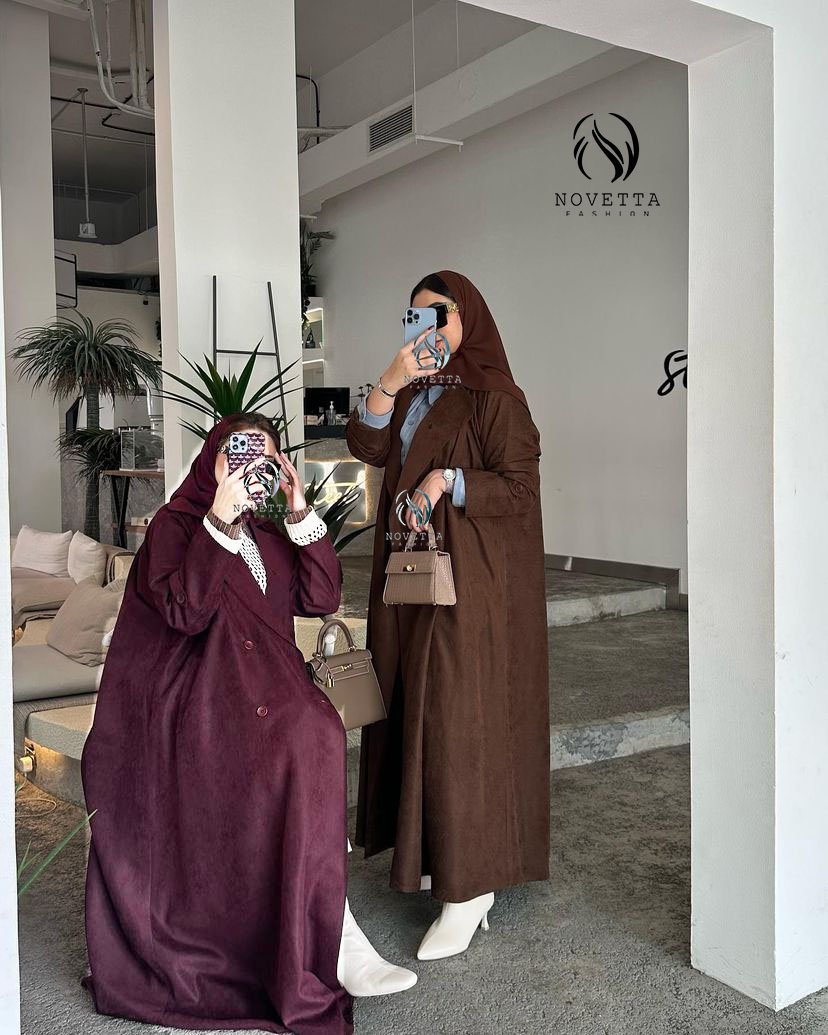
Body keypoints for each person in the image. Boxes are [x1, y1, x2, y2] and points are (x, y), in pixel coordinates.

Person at [80, 411, 415, 1035]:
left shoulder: (268, 534)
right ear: (212, 459)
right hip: (199, 700)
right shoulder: (176, 526)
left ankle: (334, 934)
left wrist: (298, 511)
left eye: (262, 456)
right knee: (299, 741)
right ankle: (336, 939)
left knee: (313, 735)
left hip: (269, 691)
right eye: (237, 453)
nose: (249, 467)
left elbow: (320, 598)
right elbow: (184, 611)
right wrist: (219, 520)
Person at [346, 270, 550, 961]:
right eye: (414, 317)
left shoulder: (496, 397)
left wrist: (445, 481)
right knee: (413, 709)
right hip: (409, 574)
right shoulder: (411, 388)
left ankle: (470, 889)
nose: (425, 327)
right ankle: (438, 858)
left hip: (468, 583)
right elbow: (367, 448)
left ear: (468, 319)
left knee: (457, 718)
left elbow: (520, 490)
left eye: (437, 314)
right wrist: (392, 376)